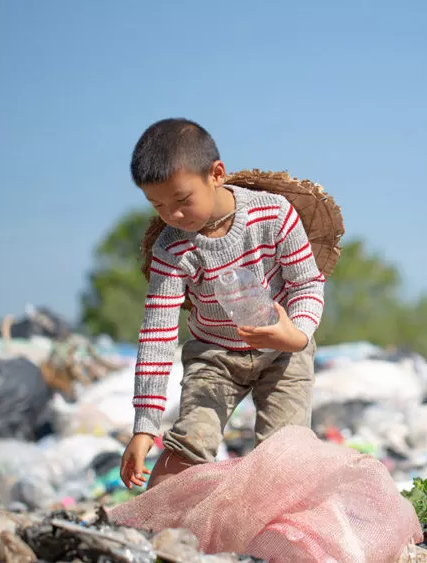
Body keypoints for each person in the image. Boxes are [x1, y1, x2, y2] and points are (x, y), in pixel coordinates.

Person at [119, 118, 325, 489]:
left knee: (286, 458)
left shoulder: (274, 215)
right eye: (158, 205)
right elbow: (157, 336)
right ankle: (157, 534)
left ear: (216, 174)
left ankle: (275, 535)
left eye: (182, 201)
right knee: (187, 448)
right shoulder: (171, 249)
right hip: (214, 356)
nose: (173, 216)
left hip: (284, 353)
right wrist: (144, 427)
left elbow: (307, 284)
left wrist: (296, 335)